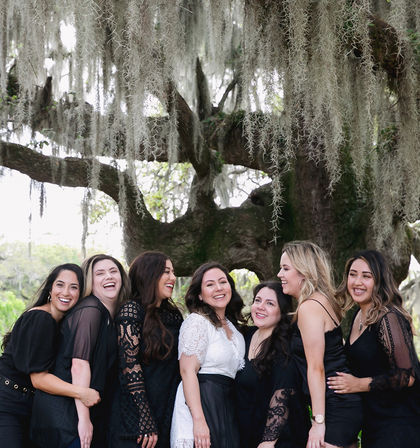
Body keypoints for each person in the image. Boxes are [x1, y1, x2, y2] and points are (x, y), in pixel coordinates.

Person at [30, 254, 130, 448]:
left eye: (113, 271)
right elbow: (79, 364)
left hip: (74, 413)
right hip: (65, 416)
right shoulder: (90, 310)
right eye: (100, 273)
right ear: (90, 282)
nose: (108, 276)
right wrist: (83, 420)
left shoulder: (107, 313)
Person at [0, 263, 100, 448]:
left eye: (74, 287)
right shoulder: (41, 319)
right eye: (60, 285)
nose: (66, 292)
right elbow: (39, 379)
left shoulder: (60, 324)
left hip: (27, 405)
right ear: (50, 288)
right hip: (7, 404)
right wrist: (82, 392)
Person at [327, 249, 420, 448]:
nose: (357, 282)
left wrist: (358, 384)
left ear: (379, 281)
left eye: (366, 276)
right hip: (373, 423)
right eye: (353, 274)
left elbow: (407, 376)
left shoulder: (388, 317)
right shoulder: (357, 316)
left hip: (399, 425)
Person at [278, 241, 362, 448]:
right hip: (342, 402)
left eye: (286, 268)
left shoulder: (310, 307)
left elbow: (317, 368)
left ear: (304, 272)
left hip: (336, 405)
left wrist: (318, 422)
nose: (279, 274)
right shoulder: (323, 300)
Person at [110, 251, 183, 448]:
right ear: (149, 274)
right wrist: (145, 415)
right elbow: (129, 366)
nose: (173, 278)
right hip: (136, 413)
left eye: (173, 272)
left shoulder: (174, 314)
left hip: (167, 407)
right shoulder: (131, 311)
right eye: (166, 272)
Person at [170, 261, 246, 448]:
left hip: (227, 405)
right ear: (200, 295)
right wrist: (198, 421)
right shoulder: (197, 322)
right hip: (203, 402)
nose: (218, 288)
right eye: (210, 284)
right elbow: (187, 372)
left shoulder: (234, 328)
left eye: (223, 282)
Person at [235, 281, 310, 448]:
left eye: (270, 303)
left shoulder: (285, 345)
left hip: (279, 439)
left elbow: (283, 392)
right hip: (247, 433)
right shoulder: (245, 336)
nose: (261, 307)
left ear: (282, 311)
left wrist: (269, 440)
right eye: (257, 300)